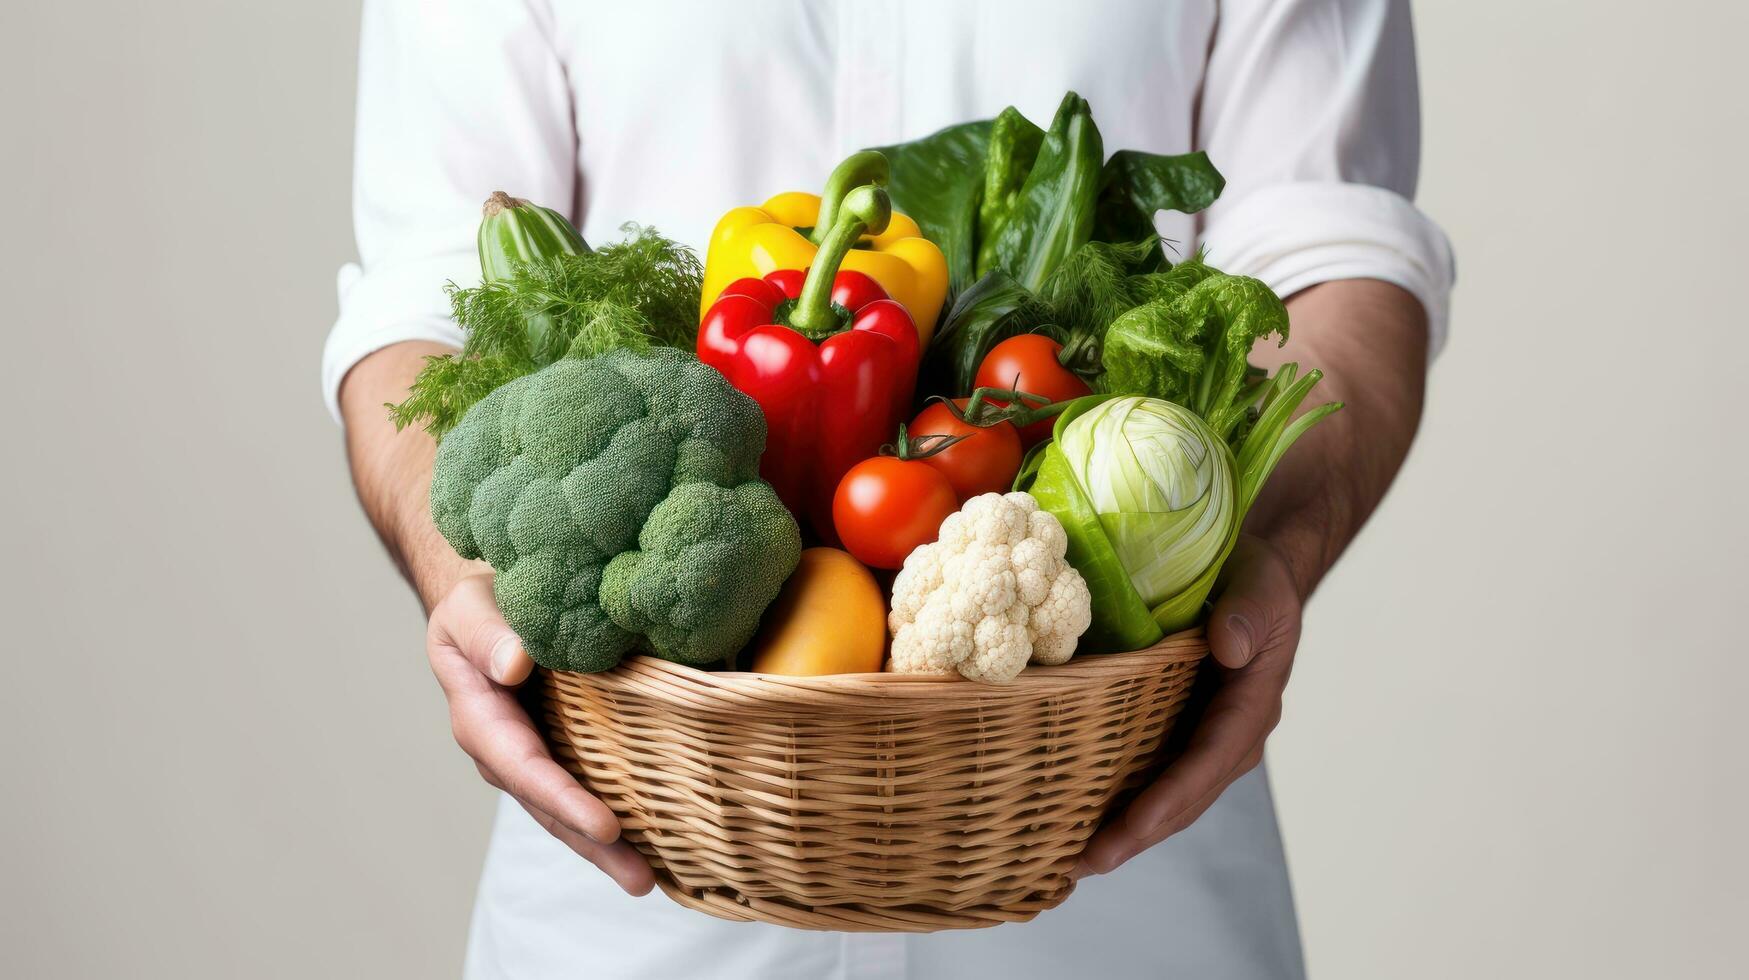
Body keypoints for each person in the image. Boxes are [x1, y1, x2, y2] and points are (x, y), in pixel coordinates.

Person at [326, 2, 1452, 977]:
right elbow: (421, 302)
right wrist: (463, 562)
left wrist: (1271, 544)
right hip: (636, 888)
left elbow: (1338, 250)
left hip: (1122, 894)